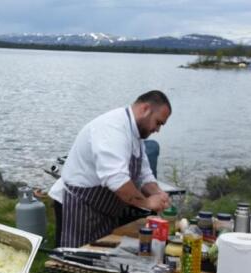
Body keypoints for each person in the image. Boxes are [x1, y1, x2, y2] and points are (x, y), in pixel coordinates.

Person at [49, 90, 172, 248]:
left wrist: (157, 193)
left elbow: (144, 174)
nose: (158, 129)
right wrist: (147, 203)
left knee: (100, 261)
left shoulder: (136, 133)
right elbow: (117, 180)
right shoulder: (112, 128)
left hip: (104, 211)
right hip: (79, 208)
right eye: (158, 122)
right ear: (145, 109)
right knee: (72, 264)